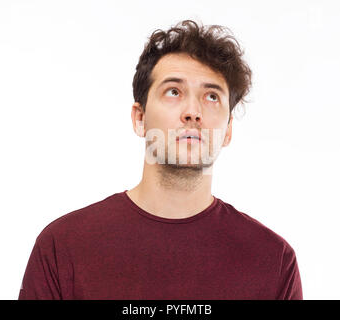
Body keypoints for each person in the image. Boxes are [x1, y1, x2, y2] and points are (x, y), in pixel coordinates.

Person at [18, 20, 302, 300]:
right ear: (139, 118)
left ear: (227, 131)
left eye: (212, 96)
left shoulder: (273, 261)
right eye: (174, 91)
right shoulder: (63, 247)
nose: (193, 111)